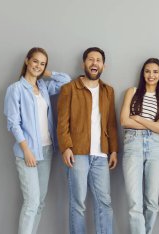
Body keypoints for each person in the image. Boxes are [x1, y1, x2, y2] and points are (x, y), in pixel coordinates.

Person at [4, 47, 71, 234]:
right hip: (28, 152)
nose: (38, 66)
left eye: (42, 63)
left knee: (40, 202)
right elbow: (13, 123)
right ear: (27, 61)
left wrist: (45, 72)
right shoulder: (15, 89)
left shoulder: (43, 87)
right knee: (31, 202)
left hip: (47, 150)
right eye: (35, 62)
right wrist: (26, 150)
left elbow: (66, 81)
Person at [57, 47, 118, 234]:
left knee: (105, 203)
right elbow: (62, 122)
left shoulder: (108, 91)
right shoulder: (69, 89)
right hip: (78, 153)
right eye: (90, 59)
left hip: (101, 155)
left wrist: (113, 149)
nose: (94, 63)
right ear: (84, 63)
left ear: (103, 66)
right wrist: (66, 147)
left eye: (98, 60)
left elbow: (111, 123)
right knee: (78, 203)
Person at [120, 58, 159, 234]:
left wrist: (139, 118)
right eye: (148, 71)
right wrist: (153, 123)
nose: (151, 75)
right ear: (143, 73)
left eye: (155, 72)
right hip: (133, 144)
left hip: (156, 148)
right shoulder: (132, 92)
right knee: (134, 202)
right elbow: (124, 121)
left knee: (152, 203)